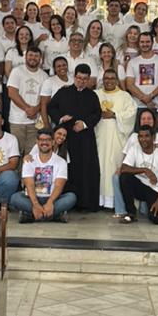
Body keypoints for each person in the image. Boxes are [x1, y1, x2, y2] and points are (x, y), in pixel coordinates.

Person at [47, 64, 102, 212]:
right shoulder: (63, 92)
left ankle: (85, 203)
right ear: (74, 76)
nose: (81, 81)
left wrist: (84, 124)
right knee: (67, 167)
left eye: (85, 79)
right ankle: (65, 203)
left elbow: (97, 114)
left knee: (86, 169)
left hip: (85, 138)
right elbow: (51, 107)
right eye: (79, 78)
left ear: (89, 79)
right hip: (67, 138)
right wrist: (60, 118)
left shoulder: (92, 95)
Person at [10, 126, 77, 223]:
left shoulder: (61, 161)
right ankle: (54, 215)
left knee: (71, 198)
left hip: (53, 198)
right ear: (37, 142)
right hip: (32, 198)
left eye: (48, 140)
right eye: (41, 140)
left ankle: (31, 215)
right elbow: (29, 184)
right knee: (15, 198)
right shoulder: (29, 160)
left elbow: (59, 185)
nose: (44, 142)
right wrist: (36, 204)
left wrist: (50, 203)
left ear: (53, 142)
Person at [95, 68, 136, 210]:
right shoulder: (96, 94)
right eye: (106, 78)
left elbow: (131, 113)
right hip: (99, 137)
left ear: (117, 80)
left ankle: (114, 202)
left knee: (114, 166)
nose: (109, 81)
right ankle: (99, 200)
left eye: (112, 78)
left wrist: (114, 115)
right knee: (99, 167)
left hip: (117, 138)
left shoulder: (125, 96)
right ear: (102, 80)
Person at [119, 126, 158, 223]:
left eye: (146, 136)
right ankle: (131, 213)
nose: (143, 139)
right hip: (141, 187)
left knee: (157, 220)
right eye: (140, 136)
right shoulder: (135, 148)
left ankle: (156, 206)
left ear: (153, 137)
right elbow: (123, 168)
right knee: (124, 177)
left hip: (156, 190)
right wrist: (145, 170)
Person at [7, 46, 47, 154]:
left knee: (32, 154)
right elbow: (12, 93)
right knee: (16, 152)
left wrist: (35, 110)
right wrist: (28, 109)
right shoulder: (16, 71)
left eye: (36, 56)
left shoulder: (44, 76)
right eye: (30, 55)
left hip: (35, 122)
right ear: (25, 57)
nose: (33, 58)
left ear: (40, 59)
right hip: (17, 120)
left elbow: (45, 99)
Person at [125, 31, 158, 109]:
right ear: (138, 43)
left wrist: (151, 96)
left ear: (152, 43)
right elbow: (129, 85)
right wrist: (145, 99)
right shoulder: (132, 62)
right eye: (142, 42)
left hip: (157, 106)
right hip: (137, 105)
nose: (145, 44)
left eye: (147, 42)